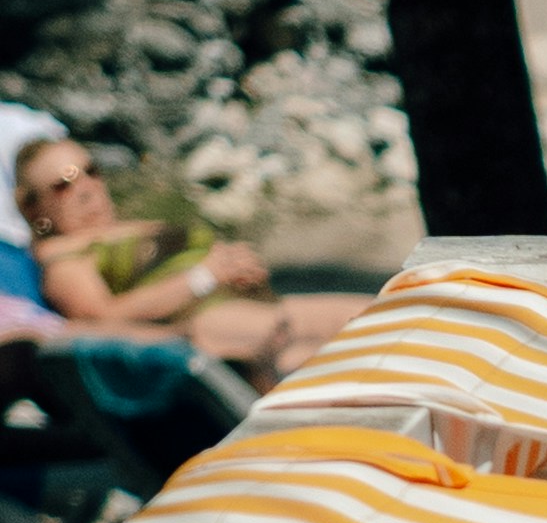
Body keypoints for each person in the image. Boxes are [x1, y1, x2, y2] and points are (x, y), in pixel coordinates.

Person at [12, 134, 358, 374]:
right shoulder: (64, 258)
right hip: (205, 328)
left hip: (249, 307)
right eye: (64, 184)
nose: (86, 188)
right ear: (33, 209)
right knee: (335, 357)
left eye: (90, 171)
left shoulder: (122, 229)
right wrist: (203, 277)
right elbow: (102, 320)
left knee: (374, 315)